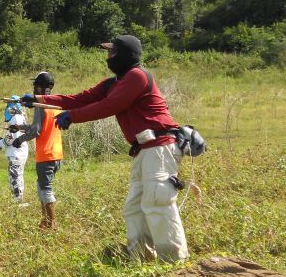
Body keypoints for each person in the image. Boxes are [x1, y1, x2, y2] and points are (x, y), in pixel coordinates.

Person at [21, 35, 189, 262]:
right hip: (143, 150)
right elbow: (80, 98)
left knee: (157, 202)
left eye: (112, 52)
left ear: (125, 54)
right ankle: (141, 258)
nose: (108, 57)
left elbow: (110, 105)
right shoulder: (114, 82)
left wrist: (73, 117)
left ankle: (174, 261)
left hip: (159, 148)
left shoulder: (137, 77)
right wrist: (39, 98)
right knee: (134, 208)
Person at [8, 71, 64, 230]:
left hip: (46, 155)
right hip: (57, 154)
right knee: (41, 187)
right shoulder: (54, 103)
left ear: (39, 87)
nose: (33, 88)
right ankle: (45, 222)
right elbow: (39, 127)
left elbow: (36, 131)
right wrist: (19, 127)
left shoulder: (40, 106)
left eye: (35, 85)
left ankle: (51, 224)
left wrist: (20, 139)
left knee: (45, 189)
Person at [0, 96, 29, 202]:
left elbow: (10, 139)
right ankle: (19, 199)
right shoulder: (20, 117)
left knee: (14, 176)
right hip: (20, 151)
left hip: (16, 153)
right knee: (18, 175)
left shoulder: (15, 118)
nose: (8, 109)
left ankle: (17, 200)